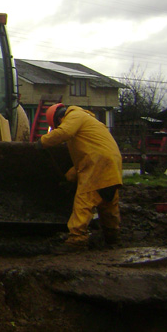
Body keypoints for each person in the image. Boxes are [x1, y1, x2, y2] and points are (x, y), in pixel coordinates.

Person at [37, 103, 123, 251]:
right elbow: (80, 163)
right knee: (108, 203)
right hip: (111, 165)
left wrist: (42, 142)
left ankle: (77, 239)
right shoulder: (88, 124)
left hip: (97, 164)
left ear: (59, 119)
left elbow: (64, 133)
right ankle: (112, 235)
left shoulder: (74, 116)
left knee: (84, 202)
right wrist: (68, 178)